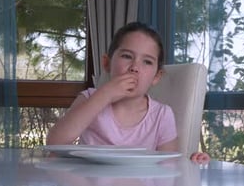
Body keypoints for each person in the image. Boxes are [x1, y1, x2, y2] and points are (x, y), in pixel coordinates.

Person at [46, 21, 209, 164]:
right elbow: (54, 142)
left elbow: (171, 165)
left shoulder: (161, 115)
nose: (134, 67)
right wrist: (105, 94)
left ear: (156, 76)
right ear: (107, 63)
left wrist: (192, 161)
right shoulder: (89, 98)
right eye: (126, 56)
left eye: (147, 61)